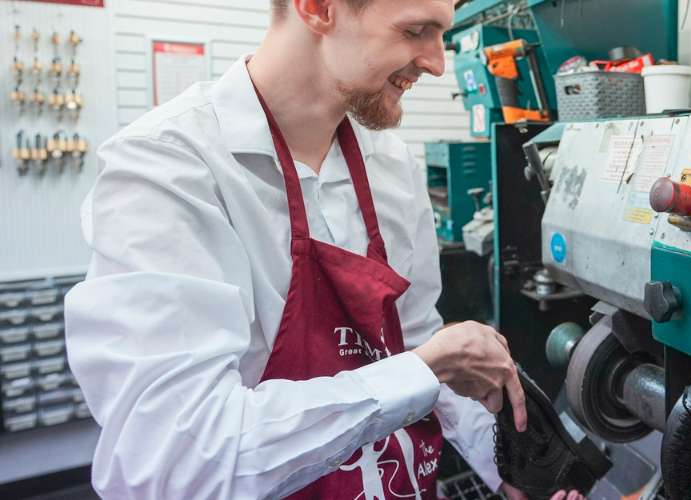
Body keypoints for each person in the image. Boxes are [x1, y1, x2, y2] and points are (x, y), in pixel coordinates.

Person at [63, 0, 571, 499]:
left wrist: (508, 471)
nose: (438, 64)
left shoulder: (391, 166)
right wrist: (424, 368)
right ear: (318, 8)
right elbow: (176, 464)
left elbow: (413, 337)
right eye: (416, 30)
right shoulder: (168, 171)